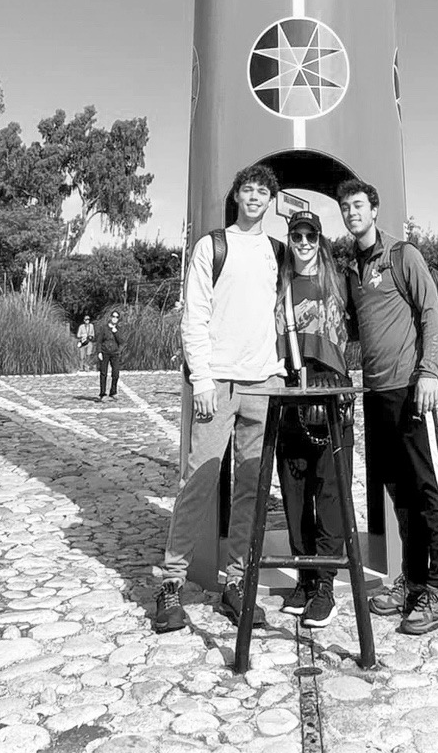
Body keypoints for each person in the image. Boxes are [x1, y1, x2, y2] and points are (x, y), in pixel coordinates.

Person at [154, 163, 284, 634]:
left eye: (263, 192)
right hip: (219, 385)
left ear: (272, 201)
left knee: (251, 489)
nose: (255, 198)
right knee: (198, 481)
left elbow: (288, 311)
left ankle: (237, 582)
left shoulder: (276, 251)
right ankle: (171, 583)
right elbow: (196, 315)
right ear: (237, 196)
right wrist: (202, 379)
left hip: (264, 384)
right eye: (248, 190)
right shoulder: (212, 245)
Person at [338, 177, 438, 635]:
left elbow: (431, 312)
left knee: (429, 489)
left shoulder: (402, 256)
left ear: (374, 210)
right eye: (345, 207)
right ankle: (411, 582)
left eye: (358, 206)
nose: (351, 213)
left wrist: (429, 372)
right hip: (377, 394)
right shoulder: (355, 268)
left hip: (412, 388)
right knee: (399, 492)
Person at [274, 210, 353, 630]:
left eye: (310, 236)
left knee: (330, 492)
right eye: (296, 235)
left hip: (332, 393)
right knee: (293, 490)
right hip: (291, 391)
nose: (303, 242)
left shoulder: (340, 282)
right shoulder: (280, 285)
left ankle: (325, 583)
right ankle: (304, 577)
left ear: (320, 240)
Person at [96, 310, 122, 401]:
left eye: (117, 317)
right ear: (110, 317)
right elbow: (99, 341)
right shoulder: (104, 328)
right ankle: (103, 394)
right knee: (103, 373)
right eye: (113, 316)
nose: (115, 318)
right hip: (105, 352)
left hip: (115, 353)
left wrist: (115, 332)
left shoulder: (119, 329)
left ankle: (113, 391)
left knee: (116, 373)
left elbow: (121, 341)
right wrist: (99, 352)